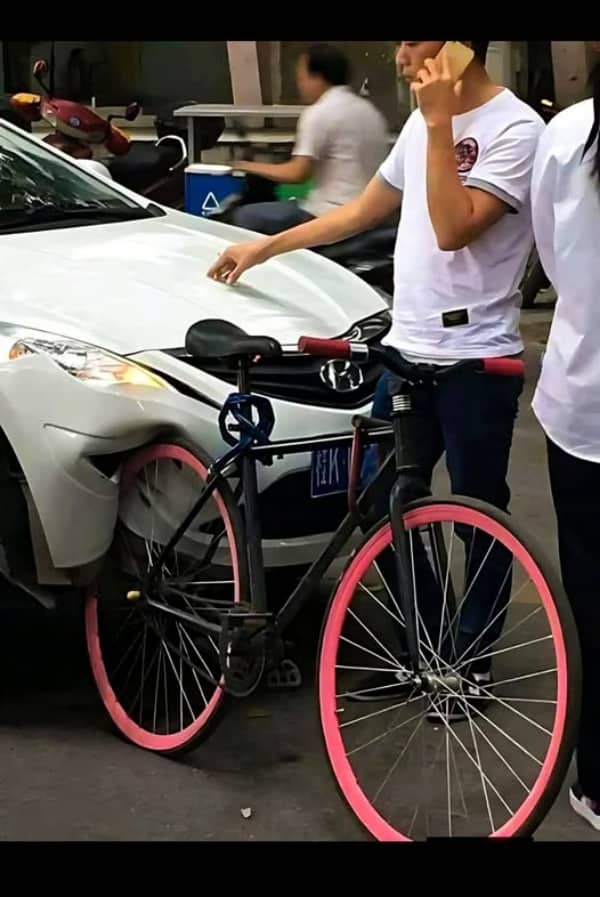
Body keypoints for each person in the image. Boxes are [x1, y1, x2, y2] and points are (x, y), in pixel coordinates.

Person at [209, 40, 544, 714]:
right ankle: (428, 646)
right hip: (406, 346)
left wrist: (443, 119)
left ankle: (467, 665)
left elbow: (453, 229)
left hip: (475, 359)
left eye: (413, 38)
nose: (398, 52)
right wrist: (265, 247)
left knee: (478, 515)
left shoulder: (515, 129)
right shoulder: (423, 119)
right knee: (377, 495)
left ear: (457, 44)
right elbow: (365, 210)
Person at [530, 41, 600, 831]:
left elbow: (549, 255)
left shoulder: (565, 136)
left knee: (590, 597)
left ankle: (597, 777)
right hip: (580, 406)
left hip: (584, 404)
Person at [229, 43, 389, 234]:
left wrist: (246, 166)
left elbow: (297, 173)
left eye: (302, 78)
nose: (299, 85)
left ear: (318, 78)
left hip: (328, 214)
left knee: (242, 217)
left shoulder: (319, 113)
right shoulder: (371, 112)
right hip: (373, 214)